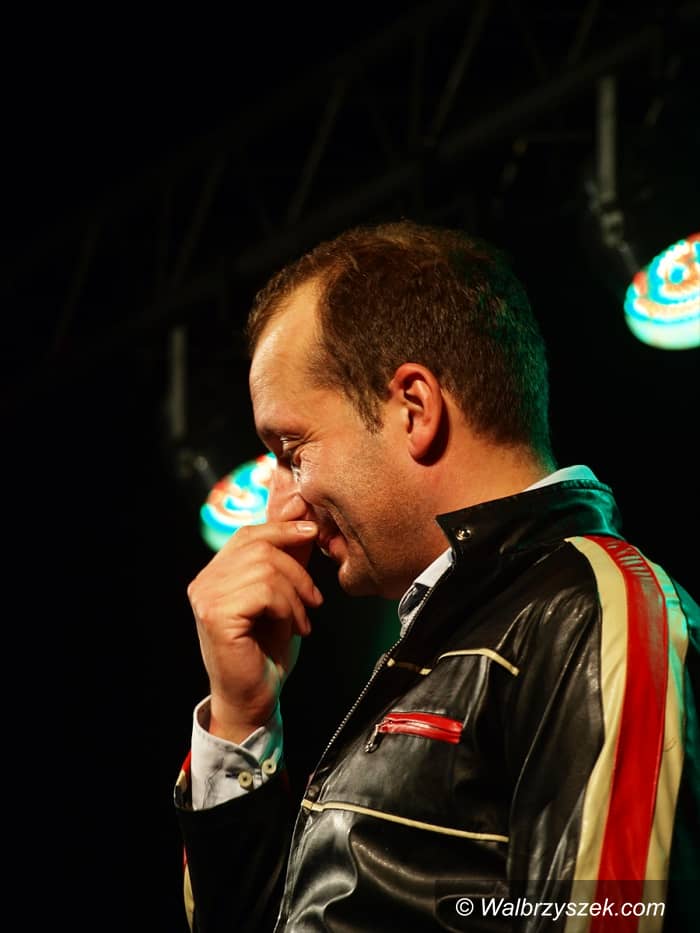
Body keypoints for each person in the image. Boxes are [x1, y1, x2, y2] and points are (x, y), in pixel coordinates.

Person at [174, 219, 699, 932]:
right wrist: (242, 718)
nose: (281, 504)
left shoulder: (592, 606)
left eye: (292, 450)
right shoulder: (447, 636)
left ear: (414, 409)